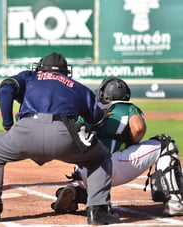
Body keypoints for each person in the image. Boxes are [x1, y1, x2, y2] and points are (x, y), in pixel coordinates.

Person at [0, 52, 120, 225]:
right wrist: (101, 116)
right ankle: (98, 211)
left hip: (25, 131)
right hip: (64, 135)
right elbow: (98, 123)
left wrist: (8, 124)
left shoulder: (30, 77)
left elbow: (6, 86)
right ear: (65, 71)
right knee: (100, 157)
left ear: (40, 68)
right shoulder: (77, 86)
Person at [51, 77, 183, 216]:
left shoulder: (92, 109)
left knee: (87, 158)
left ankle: (76, 189)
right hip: (116, 166)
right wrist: (131, 141)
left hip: (86, 170)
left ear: (103, 93)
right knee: (165, 144)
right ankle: (175, 201)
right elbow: (138, 128)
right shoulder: (129, 108)